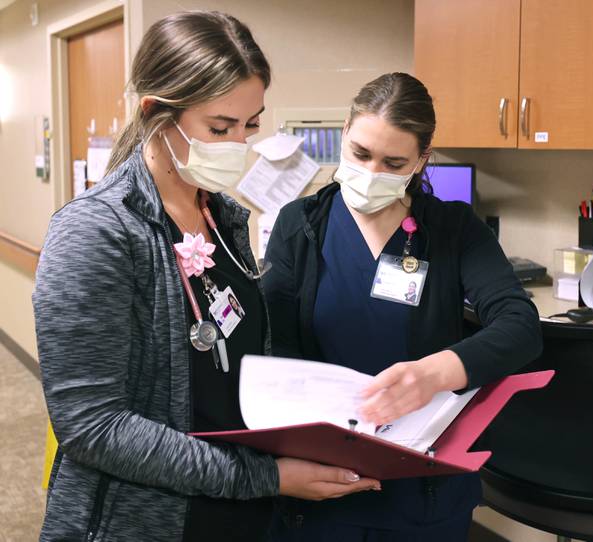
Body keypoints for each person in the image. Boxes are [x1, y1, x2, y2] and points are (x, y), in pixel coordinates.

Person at [33, 12, 377, 542]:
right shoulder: (96, 232)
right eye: (220, 128)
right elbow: (93, 427)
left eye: (251, 124)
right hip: (144, 519)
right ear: (155, 113)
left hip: (239, 510)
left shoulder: (223, 216)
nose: (239, 144)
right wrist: (266, 475)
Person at [263, 72, 542, 541]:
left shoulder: (453, 230)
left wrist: (434, 374)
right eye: (360, 154)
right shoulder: (300, 225)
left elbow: (520, 326)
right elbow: (275, 346)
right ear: (346, 131)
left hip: (423, 486)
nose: (372, 173)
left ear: (421, 160)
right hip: (323, 484)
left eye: (393, 162)